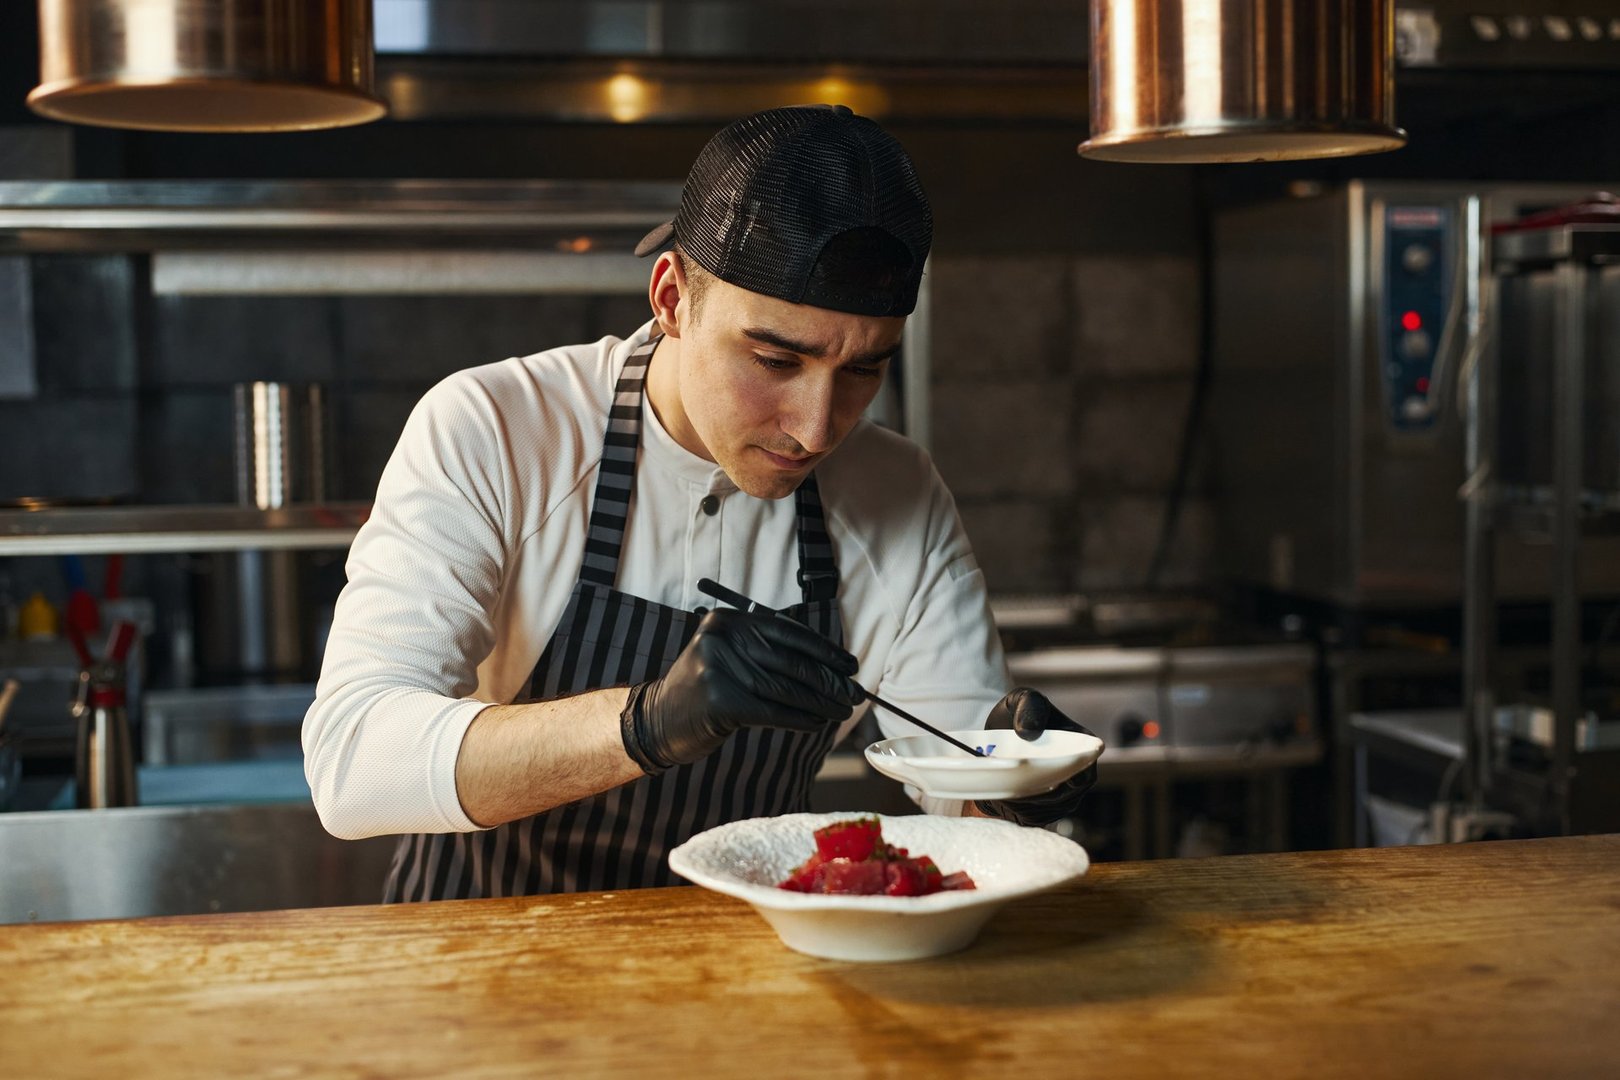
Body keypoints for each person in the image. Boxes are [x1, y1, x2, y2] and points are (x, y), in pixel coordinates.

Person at [303, 104, 1098, 902]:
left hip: (741, 976)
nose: (817, 428)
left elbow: (965, 791)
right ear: (672, 297)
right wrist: (646, 723)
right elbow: (352, 763)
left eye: (863, 370)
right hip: (481, 967)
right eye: (776, 359)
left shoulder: (897, 494)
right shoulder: (497, 429)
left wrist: (1015, 785)